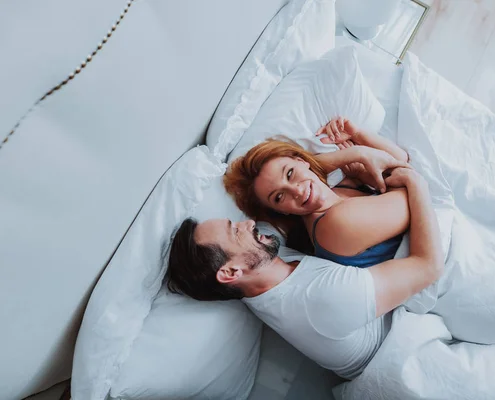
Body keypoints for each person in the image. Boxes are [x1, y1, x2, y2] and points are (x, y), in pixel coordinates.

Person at [165, 165, 444, 379]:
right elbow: (428, 265)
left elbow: (275, 191)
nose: (248, 224)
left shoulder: (263, 266)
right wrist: (416, 182)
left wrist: (321, 162)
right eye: (234, 232)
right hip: (413, 359)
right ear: (230, 272)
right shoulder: (322, 299)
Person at [223, 117, 412, 267]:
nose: (296, 191)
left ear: (301, 161)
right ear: (281, 211)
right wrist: (358, 153)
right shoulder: (333, 224)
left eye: (290, 174)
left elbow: (401, 159)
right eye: (279, 197)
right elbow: (412, 188)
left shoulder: (340, 188)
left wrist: (359, 135)